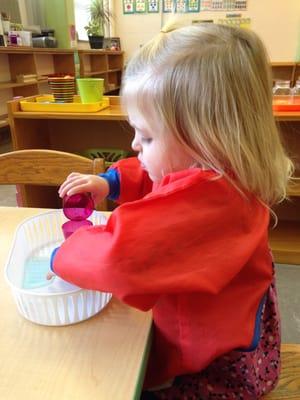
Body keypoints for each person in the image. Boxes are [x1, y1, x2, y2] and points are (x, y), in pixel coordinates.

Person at [50, 20, 294, 399]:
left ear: (205, 139)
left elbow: (120, 259)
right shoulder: (223, 170)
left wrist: (63, 253)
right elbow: (165, 178)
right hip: (240, 327)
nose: (134, 145)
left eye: (146, 136)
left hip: (214, 369)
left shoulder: (209, 203)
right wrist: (112, 181)